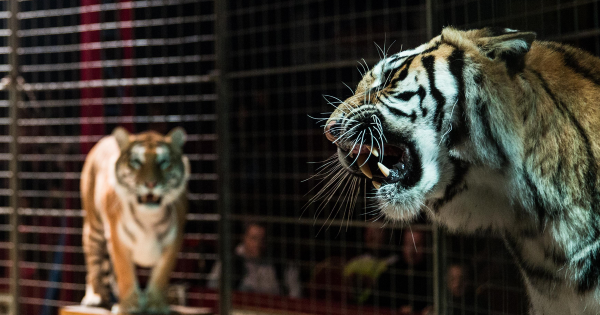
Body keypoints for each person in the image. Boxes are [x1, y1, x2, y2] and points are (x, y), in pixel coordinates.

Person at [207, 222, 301, 298]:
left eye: (262, 239)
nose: (258, 244)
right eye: (254, 238)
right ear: (244, 238)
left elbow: (296, 295)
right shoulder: (229, 262)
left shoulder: (281, 264)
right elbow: (212, 291)